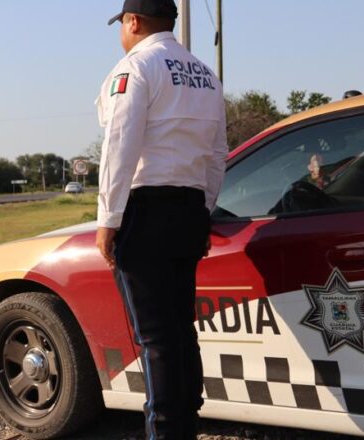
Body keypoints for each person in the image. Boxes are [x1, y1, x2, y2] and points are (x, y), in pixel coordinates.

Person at [94, 0, 228, 438]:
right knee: (179, 330)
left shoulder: (135, 68)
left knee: (155, 338)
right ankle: (185, 424)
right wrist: (203, 212)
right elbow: (216, 155)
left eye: (122, 25)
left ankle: (166, 432)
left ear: (133, 22)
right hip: (189, 208)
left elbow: (119, 147)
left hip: (145, 210)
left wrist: (107, 220)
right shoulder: (206, 75)